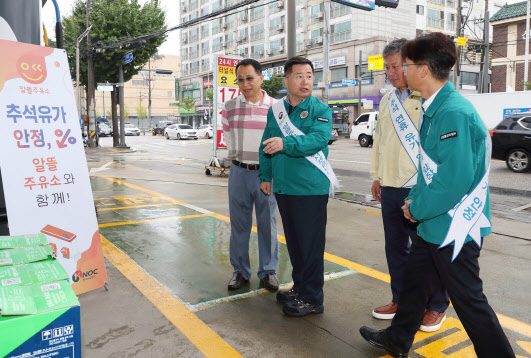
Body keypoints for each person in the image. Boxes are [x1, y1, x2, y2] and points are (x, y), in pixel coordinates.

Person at [360, 32, 515, 358]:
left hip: (455, 225)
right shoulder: (435, 107)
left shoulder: (453, 112)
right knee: (415, 284)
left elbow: (452, 180)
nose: (401, 70)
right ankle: (398, 339)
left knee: (469, 299)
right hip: (435, 225)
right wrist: (415, 198)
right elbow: (427, 165)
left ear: (424, 69)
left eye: (408, 64)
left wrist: (418, 208)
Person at [370, 38, 449, 332]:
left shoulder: (425, 97)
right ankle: (400, 299)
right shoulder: (389, 99)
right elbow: (380, 139)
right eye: (387, 68)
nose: (391, 73)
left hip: (418, 187)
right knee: (395, 248)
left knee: (426, 249)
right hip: (390, 185)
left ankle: (436, 305)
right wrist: (376, 175)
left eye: (396, 66)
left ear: (411, 64)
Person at [259, 56, 339, 317]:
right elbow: (266, 144)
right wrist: (266, 176)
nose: (305, 81)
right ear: (287, 80)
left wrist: (287, 144)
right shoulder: (277, 110)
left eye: (309, 76)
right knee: (294, 243)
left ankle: (313, 298)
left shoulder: (321, 110)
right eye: (299, 76)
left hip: (310, 189)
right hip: (284, 187)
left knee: (310, 246)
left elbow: (318, 140)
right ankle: (300, 288)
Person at [222, 58, 279, 292]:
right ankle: (240, 271)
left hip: (265, 175)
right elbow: (228, 137)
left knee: (268, 224)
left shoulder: (276, 107)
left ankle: (268, 271)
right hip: (238, 172)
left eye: (250, 78)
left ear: (261, 77)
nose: (245, 84)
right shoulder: (230, 107)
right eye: (240, 80)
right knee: (239, 224)